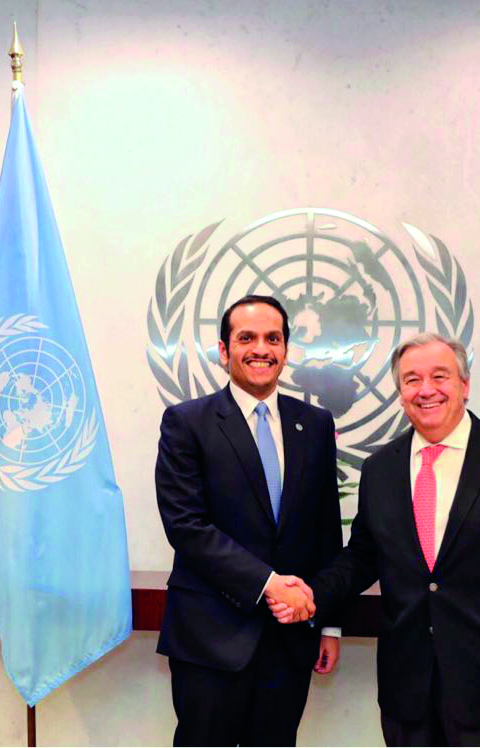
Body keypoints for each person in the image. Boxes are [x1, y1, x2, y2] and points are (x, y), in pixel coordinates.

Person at [272, 332, 480, 746]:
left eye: (439, 376)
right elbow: (362, 557)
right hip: (407, 687)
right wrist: (310, 593)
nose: (426, 389)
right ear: (400, 393)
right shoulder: (380, 468)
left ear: (464, 385)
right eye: (412, 380)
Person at [155, 294, 342, 746]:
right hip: (210, 637)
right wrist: (269, 583)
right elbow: (186, 526)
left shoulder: (314, 424)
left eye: (273, 338)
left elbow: (325, 530)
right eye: (247, 338)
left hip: (290, 639)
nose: (262, 348)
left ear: (285, 349)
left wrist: (330, 624)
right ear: (224, 350)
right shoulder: (187, 423)